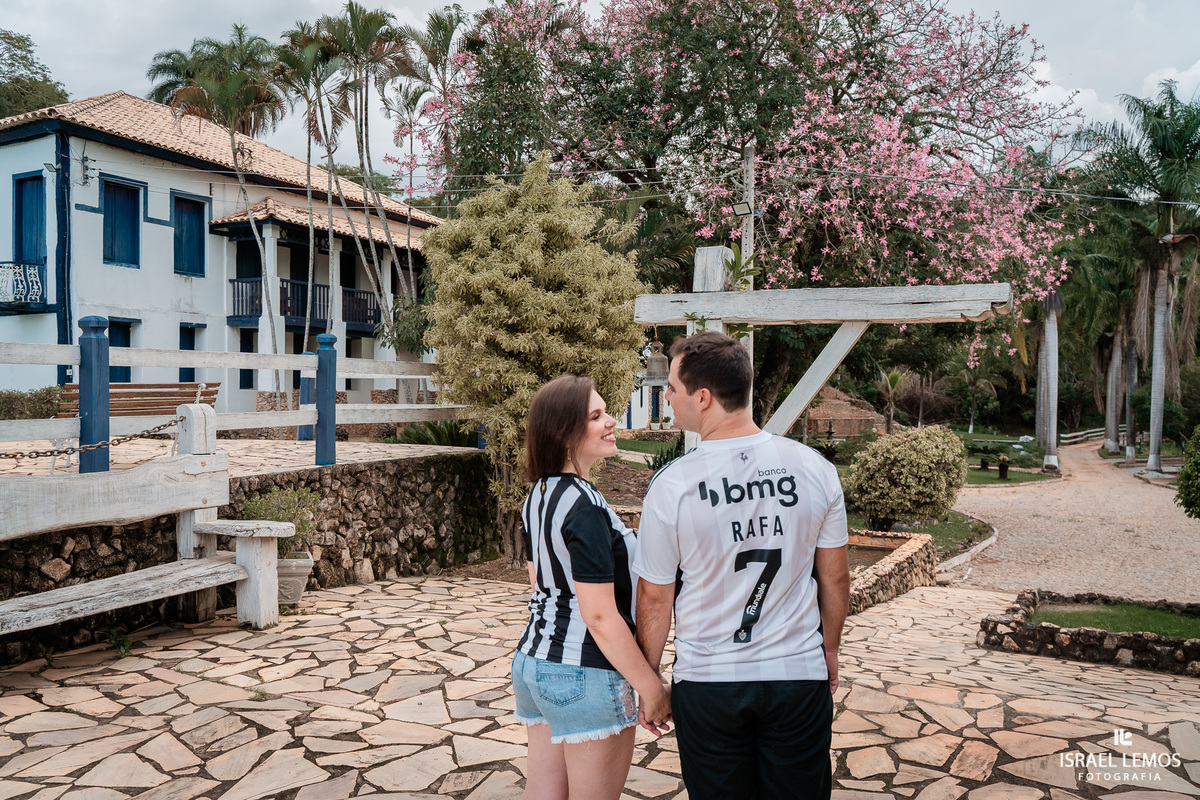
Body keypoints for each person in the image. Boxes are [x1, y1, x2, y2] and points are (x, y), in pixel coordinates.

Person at [632, 332, 851, 800]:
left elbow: (654, 595)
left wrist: (649, 680)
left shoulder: (673, 486)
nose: (666, 395)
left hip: (710, 684)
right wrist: (828, 650)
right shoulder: (814, 468)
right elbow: (834, 576)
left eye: (671, 387)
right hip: (797, 676)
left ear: (703, 398)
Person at [512, 375, 673, 800]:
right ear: (564, 433)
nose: (612, 421)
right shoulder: (583, 504)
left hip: (533, 664)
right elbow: (598, 615)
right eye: (597, 416)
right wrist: (651, 688)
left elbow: (539, 582)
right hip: (583, 674)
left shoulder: (538, 496)